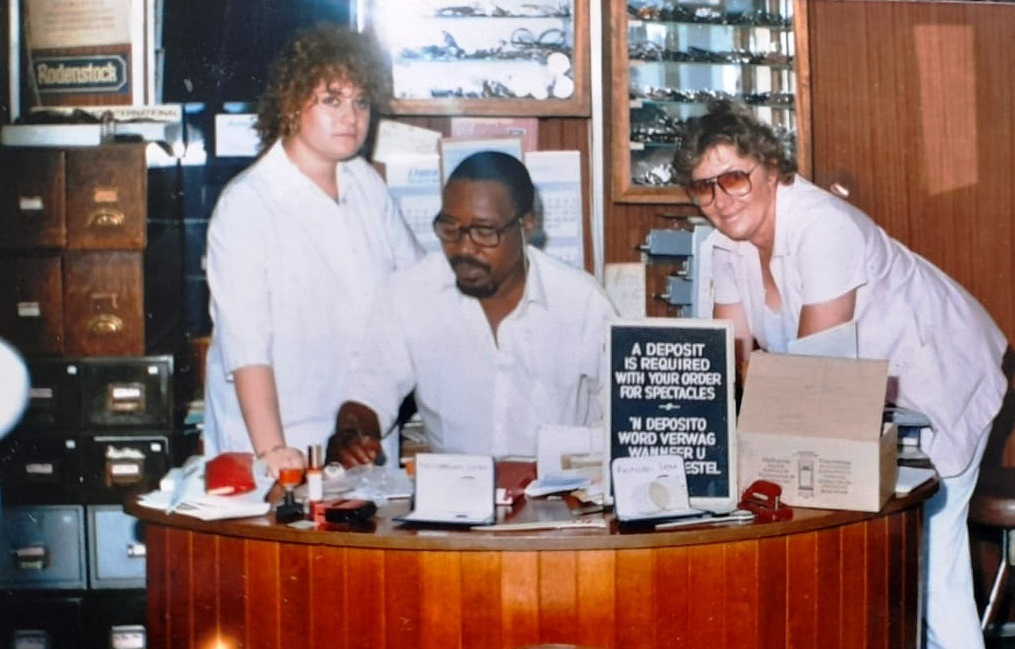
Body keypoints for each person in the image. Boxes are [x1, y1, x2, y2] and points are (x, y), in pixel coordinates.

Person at [672, 99, 1007, 649]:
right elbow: (728, 364)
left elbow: (815, 375)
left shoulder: (822, 226)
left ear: (770, 168)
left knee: (928, 565)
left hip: (939, 375)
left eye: (733, 178)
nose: (719, 200)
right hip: (868, 396)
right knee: (892, 569)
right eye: (703, 187)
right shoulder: (722, 247)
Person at [202, 23, 423, 478]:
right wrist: (274, 452)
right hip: (283, 443)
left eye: (361, 102)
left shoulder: (366, 184)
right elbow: (247, 350)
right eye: (331, 100)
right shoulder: (249, 204)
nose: (351, 117)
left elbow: (414, 290)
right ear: (292, 102)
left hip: (362, 437)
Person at [326, 151, 617, 466]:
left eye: (484, 231)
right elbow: (370, 394)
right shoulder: (410, 294)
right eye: (450, 229)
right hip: (454, 500)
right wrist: (351, 434)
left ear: (526, 224)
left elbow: (625, 414)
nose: (464, 248)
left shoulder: (581, 302)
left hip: (564, 499)